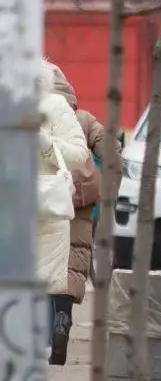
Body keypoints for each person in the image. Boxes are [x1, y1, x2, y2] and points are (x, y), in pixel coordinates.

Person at [48, 64, 117, 365]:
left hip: (45, 202)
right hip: (79, 205)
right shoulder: (84, 120)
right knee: (73, 265)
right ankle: (62, 318)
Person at [35, 59, 91, 364]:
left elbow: (79, 154)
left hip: (46, 214)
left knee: (40, 287)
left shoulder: (54, 106)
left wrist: (46, 143)